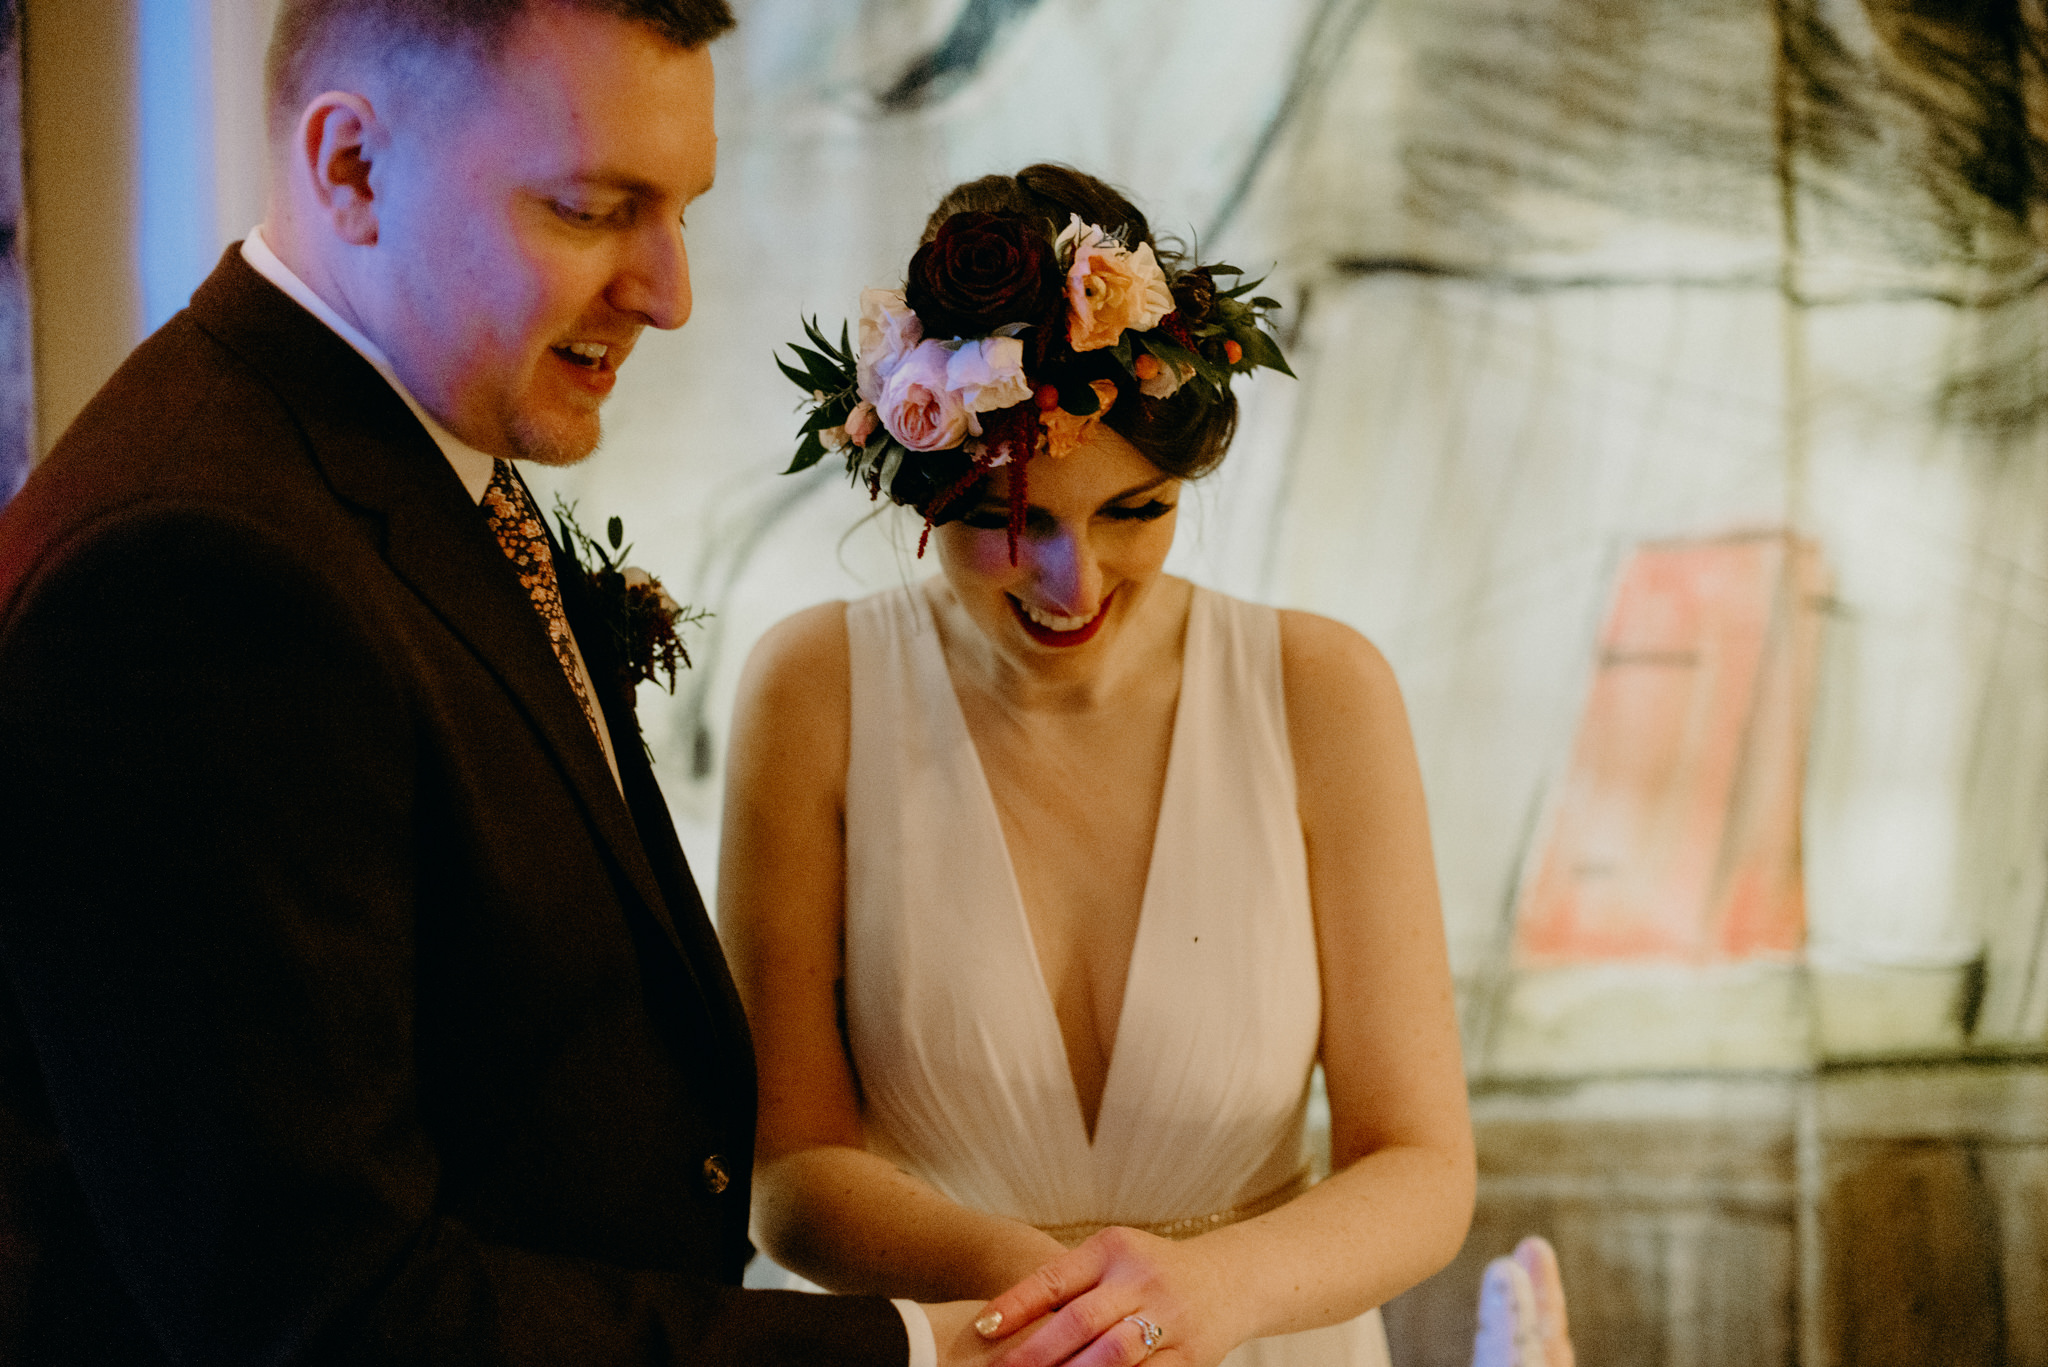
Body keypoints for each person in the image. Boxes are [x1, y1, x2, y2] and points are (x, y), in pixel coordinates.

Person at [0, 3, 1014, 1363]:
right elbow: (327, 1309)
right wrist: (918, 1349)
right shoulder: (196, 569)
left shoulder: (410, 448)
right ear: (353, 168)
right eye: (596, 209)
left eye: (683, 214)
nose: (668, 291)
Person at [723, 165, 1477, 1366]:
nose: (1073, 584)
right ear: (915, 478)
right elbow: (790, 1173)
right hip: (952, 1344)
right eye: (1012, 517)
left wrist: (1205, 1294)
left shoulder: (1323, 691)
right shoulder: (811, 689)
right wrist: (1060, 1304)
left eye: (1136, 510)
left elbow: (1422, 1164)